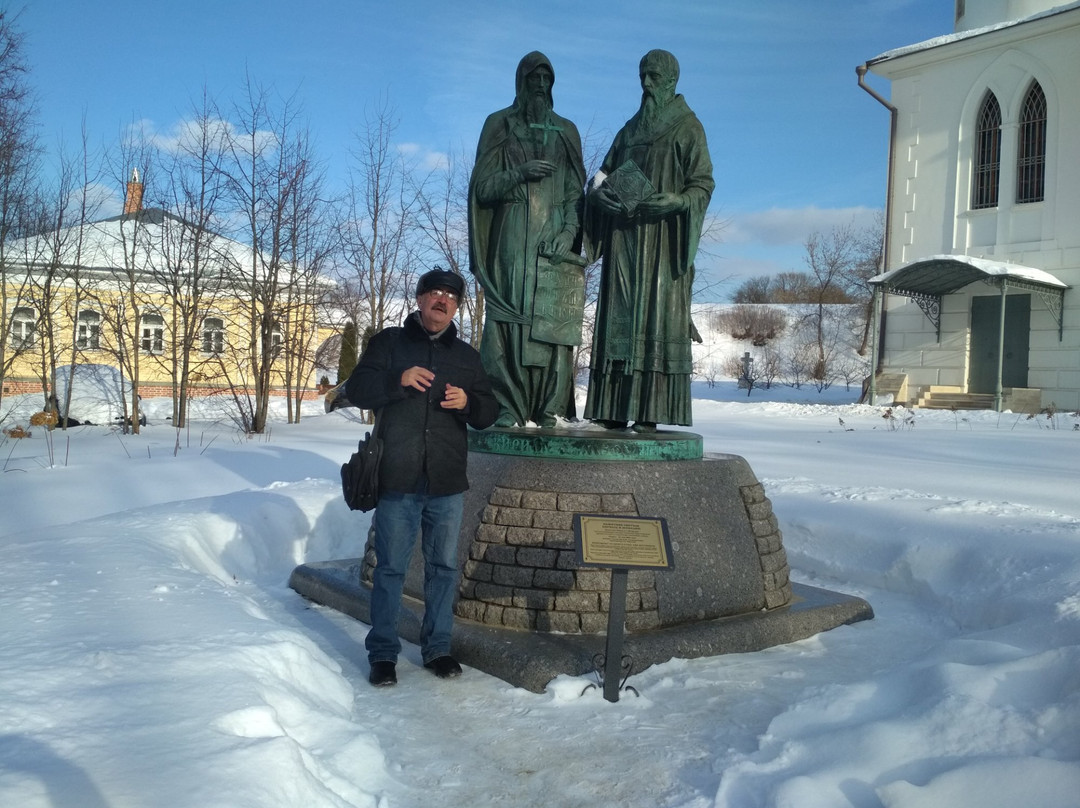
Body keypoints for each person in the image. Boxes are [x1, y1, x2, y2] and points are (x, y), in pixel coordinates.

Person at [345, 268, 498, 687]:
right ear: (418, 299)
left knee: (444, 569)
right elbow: (357, 389)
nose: (442, 300)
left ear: (457, 307)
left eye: (450, 295)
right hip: (398, 478)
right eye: (434, 292)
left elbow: (489, 413)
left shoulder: (467, 357)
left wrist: (469, 402)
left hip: (447, 482)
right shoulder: (390, 343)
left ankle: (438, 648)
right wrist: (398, 380)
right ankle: (383, 655)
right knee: (391, 569)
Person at [584, 50, 714, 432]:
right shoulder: (629, 130)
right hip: (624, 240)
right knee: (618, 317)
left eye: (654, 76)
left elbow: (702, 182)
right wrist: (598, 194)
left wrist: (678, 201)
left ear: (672, 80)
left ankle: (648, 409)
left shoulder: (689, 127)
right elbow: (602, 176)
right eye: (643, 75)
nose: (646, 83)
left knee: (656, 316)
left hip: (662, 241)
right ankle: (610, 406)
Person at [469, 51, 586, 428]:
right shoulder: (499, 124)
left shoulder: (566, 130)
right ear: (521, 82)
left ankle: (550, 407)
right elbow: (483, 189)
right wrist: (519, 173)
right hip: (512, 232)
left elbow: (574, 192)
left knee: (553, 319)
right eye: (533, 78)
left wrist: (569, 234)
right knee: (507, 319)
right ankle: (505, 405)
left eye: (546, 79)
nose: (540, 85)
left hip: (553, 237)